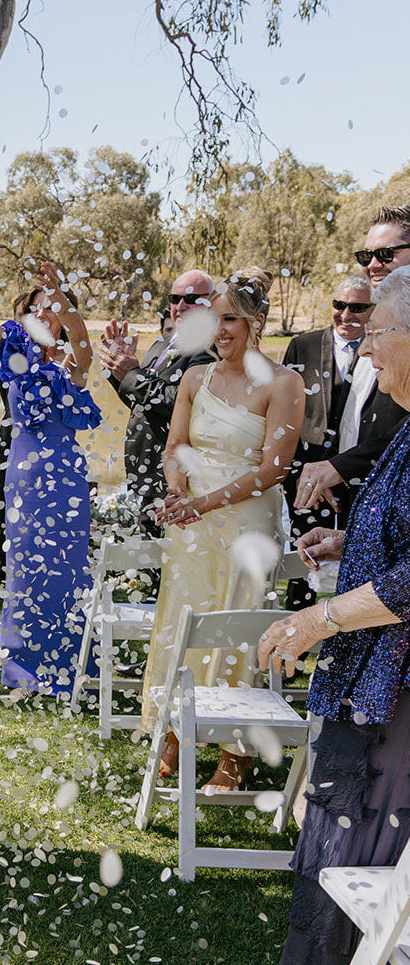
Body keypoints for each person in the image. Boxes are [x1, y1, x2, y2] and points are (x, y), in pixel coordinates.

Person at [254, 264, 410, 965]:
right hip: (370, 668)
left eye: (381, 331)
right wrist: (348, 538)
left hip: (397, 686)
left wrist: (319, 620)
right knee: (340, 818)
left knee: (375, 831)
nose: (371, 350)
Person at [141, 269, 303, 789]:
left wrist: (204, 503)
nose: (220, 330)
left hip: (246, 527)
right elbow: (174, 449)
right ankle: (174, 731)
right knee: (184, 623)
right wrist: (175, 492)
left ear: (256, 323)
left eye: (230, 318)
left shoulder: (285, 383)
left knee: (236, 626)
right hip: (191, 527)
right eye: (214, 320)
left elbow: (273, 469)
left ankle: (234, 751)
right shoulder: (194, 379)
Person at [0, 248, 100, 695]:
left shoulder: (70, 366)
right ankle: (24, 672)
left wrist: (64, 303)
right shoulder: (13, 353)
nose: (41, 313)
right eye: (34, 307)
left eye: (48, 308)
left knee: (68, 570)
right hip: (25, 476)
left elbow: (84, 344)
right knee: (25, 568)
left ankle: (72, 669)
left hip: (67, 478)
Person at [281, 275, 406, 609]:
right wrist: (349, 543)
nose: (364, 348)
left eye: (374, 331)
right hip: (319, 479)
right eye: (340, 305)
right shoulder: (304, 345)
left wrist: (326, 619)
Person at [290, 209, 410, 526]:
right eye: (365, 255)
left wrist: (346, 465)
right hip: (358, 509)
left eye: (385, 254)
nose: (372, 264)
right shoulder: (375, 328)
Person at [98, 269, 215, 537]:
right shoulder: (160, 347)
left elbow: (179, 405)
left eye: (192, 298)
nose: (181, 306)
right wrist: (118, 371)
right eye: (175, 299)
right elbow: (141, 406)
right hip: (146, 474)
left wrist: (133, 374)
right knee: (149, 567)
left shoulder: (210, 349)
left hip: (179, 481)